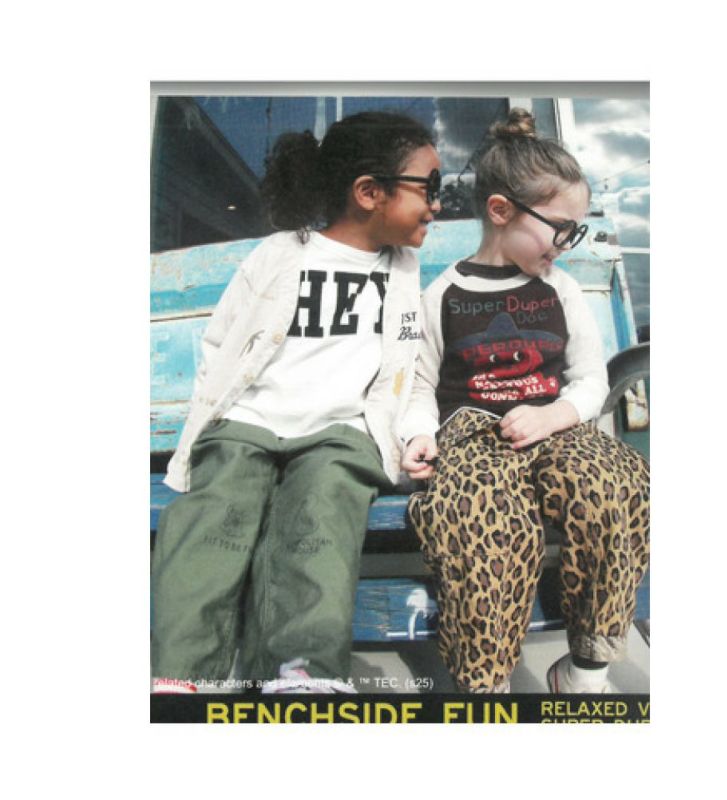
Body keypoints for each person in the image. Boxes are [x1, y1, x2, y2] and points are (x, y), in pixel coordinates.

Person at [151, 111, 441, 694]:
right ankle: (183, 674)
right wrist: (210, 420)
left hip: (340, 433)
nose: (436, 204)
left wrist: (415, 431)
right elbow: (222, 343)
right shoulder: (281, 254)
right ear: (369, 192)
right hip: (249, 422)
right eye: (428, 187)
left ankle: (301, 673)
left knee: (321, 524)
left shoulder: (403, 273)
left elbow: (409, 369)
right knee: (211, 521)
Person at [399, 108, 649, 694]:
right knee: (478, 523)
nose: (567, 244)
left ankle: (584, 670)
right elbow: (419, 384)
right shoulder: (443, 295)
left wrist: (555, 414)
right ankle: (486, 687)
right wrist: (418, 433)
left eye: (575, 231)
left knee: (617, 485)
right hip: (471, 434)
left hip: (555, 426)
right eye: (561, 228)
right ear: (500, 211)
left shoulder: (560, 288)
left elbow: (589, 379)